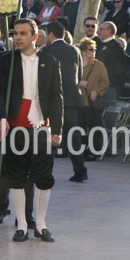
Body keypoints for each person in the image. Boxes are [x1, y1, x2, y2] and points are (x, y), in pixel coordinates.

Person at [0, 18, 63, 243]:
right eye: (15, 33)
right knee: (17, 175)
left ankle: (41, 224)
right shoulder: (7, 60)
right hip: (16, 124)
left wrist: (57, 128)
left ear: (35, 36)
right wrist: (2, 118)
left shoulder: (50, 61)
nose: (18, 37)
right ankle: (21, 224)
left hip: (41, 125)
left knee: (43, 176)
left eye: (23, 33)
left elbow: (56, 96)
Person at [41, 22, 86, 182]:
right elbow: (79, 74)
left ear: (51, 34)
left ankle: (45, 172)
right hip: (72, 98)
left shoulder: (46, 50)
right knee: (73, 136)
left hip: (53, 99)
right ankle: (80, 170)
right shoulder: (75, 50)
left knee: (49, 135)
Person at [78, 37, 110, 161]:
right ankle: (80, 151)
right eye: (91, 49)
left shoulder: (98, 65)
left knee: (94, 127)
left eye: (94, 49)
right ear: (83, 51)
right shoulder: (77, 64)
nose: (93, 52)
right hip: (79, 100)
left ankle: (94, 151)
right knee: (80, 127)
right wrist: (79, 83)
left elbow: (105, 82)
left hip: (92, 101)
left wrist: (96, 91)